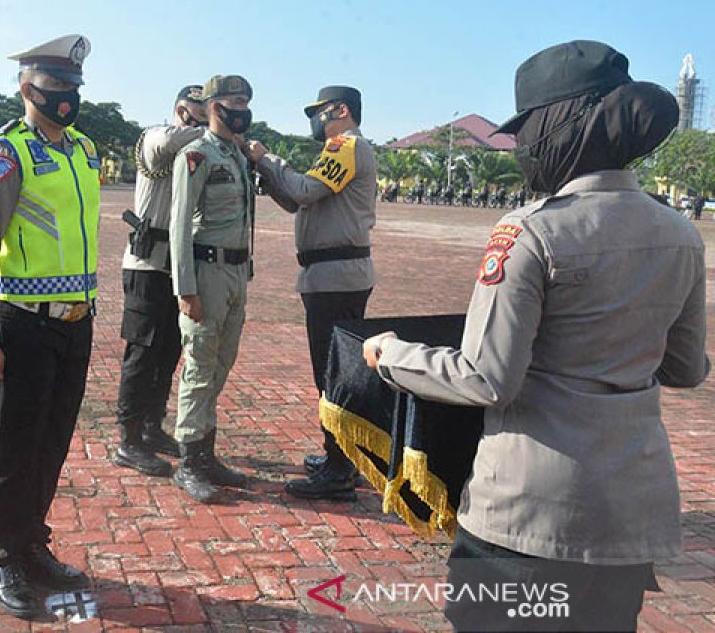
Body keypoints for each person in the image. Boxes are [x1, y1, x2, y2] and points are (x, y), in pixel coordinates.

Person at [361, 41, 708, 632]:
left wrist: (390, 355)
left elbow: (487, 378)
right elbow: (685, 369)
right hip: (628, 514)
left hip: (530, 517)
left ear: (557, 127)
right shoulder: (680, 232)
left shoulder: (530, 231)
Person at [0, 34, 98, 619]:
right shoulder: (7, 155)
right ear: (27, 86)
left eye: (71, 87)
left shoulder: (85, 151)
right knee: (16, 448)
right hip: (24, 326)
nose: (64, 97)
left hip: (77, 321)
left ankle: (32, 542)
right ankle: (6, 556)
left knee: (53, 441)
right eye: (54, 86)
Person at [246, 85, 377, 500]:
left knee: (332, 374)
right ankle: (341, 458)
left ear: (339, 110)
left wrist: (267, 158)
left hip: (335, 277)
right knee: (334, 372)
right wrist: (268, 172)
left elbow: (302, 191)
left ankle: (339, 470)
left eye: (319, 111)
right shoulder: (341, 150)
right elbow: (298, 201)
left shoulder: (346, 144)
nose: (316, 120)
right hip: (332, 275)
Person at [169, 75, 255, 504]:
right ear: (215, 105)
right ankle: (189, 463)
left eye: (245, 101)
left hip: (237, 273)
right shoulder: (195, 155)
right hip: (205, 273)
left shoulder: (237, 156)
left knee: (222, 362)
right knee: (200, 365)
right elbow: (179, 225)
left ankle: (206, 453)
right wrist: (185, 289)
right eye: (234, 101)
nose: (242, 108)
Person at [113, 85, 207, 476]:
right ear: (180, 111)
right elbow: (169, 139)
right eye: (196, 114)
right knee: (142, 352)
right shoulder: (155, 137)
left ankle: (152, 426)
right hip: (146, 265)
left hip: (176, 267)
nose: (202, 121)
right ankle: (129, 439)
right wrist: (213, 129)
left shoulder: (195, 149)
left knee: (168, 351)